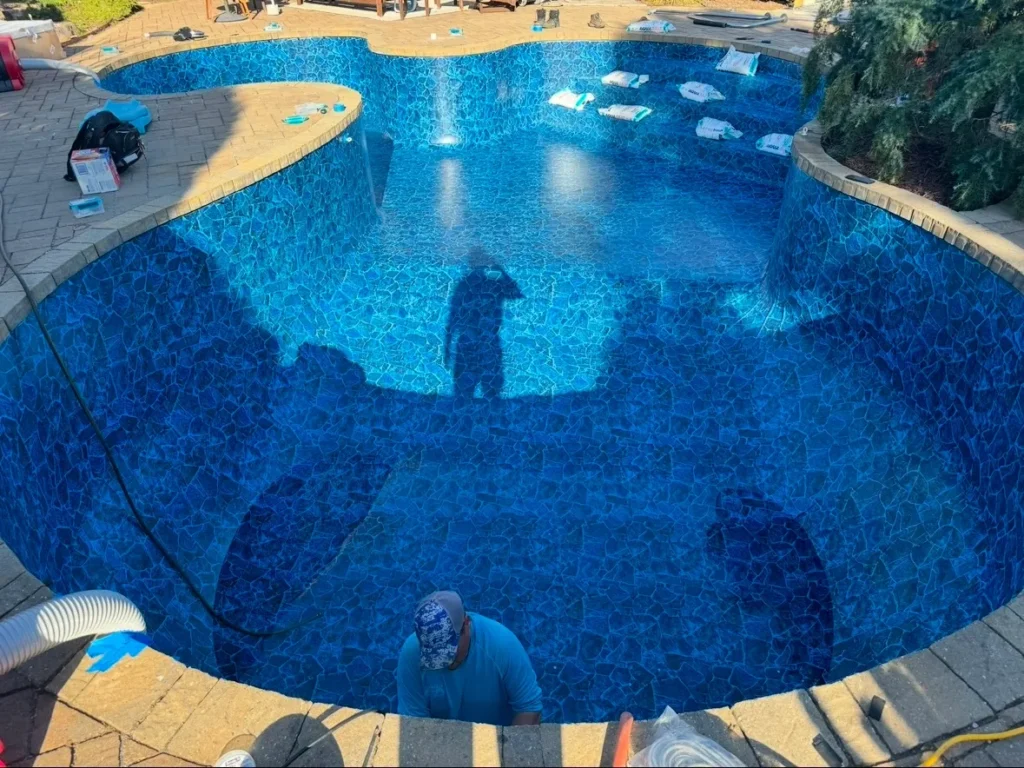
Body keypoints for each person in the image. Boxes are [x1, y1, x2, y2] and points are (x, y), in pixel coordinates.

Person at [397, 591, 542, 726]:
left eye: (449, 651)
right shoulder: (412, 654)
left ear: (466, 625)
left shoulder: (502, 645)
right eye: (434, 654)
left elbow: (529, 709)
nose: (446, 663)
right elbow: (413, 721)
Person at [443, 248, 524, 401]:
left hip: (469, 343)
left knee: (464, 393)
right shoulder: (494, 283)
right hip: (487, 343)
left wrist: (447, 349)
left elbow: (452, 319)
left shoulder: (464, 285)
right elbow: (516, 293)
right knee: (491, 392)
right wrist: (500, 269)